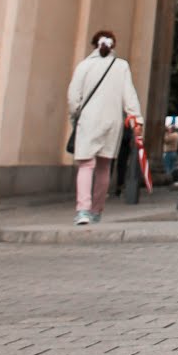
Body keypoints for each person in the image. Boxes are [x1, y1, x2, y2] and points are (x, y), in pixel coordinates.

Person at [67, 30, 142, 225]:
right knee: (104, 166)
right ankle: (97, 210)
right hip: (112, 122)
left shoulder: (84, 66)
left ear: (94, 44)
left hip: (89, 120)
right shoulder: (121, 66)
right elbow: (129, 94)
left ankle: (82, 209)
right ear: (113, 46)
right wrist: (136, 118)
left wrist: (75, 114)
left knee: (86, 165)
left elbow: (73, 96)